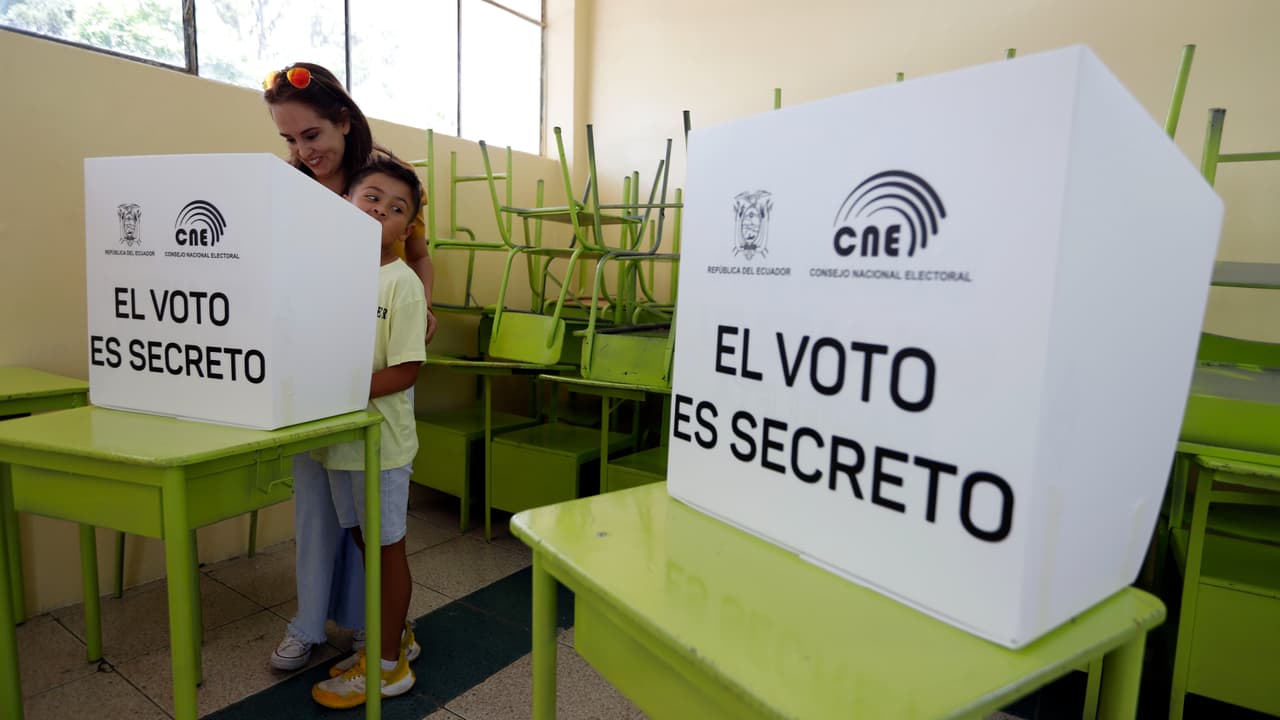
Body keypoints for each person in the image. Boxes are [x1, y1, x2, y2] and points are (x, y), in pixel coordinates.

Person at [261, 62, 434, 672]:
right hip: (314, 379)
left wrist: (421, 309)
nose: (303, 150)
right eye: (289, 140)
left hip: (364, 390)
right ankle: (309, 622)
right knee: (317, 504)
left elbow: (416, 256)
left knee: (373, 530)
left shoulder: (378, 182)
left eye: (311, 135)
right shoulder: (294, 188)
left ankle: (376, 634)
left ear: (343, 121)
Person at [311, 158, 427, 707]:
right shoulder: (328, 277)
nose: (379, 210)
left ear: (406, 230)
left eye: (396, 209)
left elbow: (406, 370)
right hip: (340, 442)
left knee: (386, 548)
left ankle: (387, 667)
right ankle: (394, 634)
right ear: (347, 203)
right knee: (364, 541)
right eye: (371, 198)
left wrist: (339, 391)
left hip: (381, 444)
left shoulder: (401, 284)